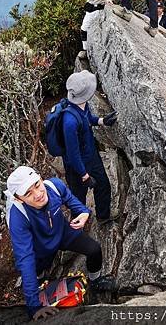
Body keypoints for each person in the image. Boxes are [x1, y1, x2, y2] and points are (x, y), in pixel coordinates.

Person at [5, 166, 115, 320]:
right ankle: (40, 282)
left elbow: (69, 198)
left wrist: (83, 211)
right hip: (39, 248)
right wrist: (34, 307)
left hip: (62, 233)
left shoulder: (54, 186)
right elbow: (25, 258)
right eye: (28, 193)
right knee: (38, 272)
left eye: (37, 185)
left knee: (94, 249)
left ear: (41, 179)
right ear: (18, 198)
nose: (38, 194)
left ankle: (95, 279)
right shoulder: (18, 218)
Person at [63, 70, 118, 224]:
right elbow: (72, 154)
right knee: (78, 199)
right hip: (77, 167)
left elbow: (88, 119)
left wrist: (102, 121)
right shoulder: (69, 122)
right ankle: (76, 231)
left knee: (103, 185)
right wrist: (84, 175)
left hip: (90, 155)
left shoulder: (81, 105)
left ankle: (103, 216)